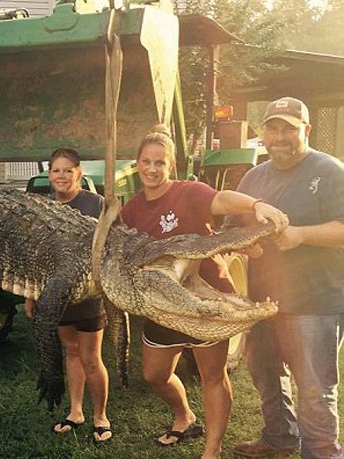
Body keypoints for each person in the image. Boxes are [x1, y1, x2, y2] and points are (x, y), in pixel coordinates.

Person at [119, 125, 288, 459]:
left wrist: (255, 204)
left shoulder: (189, 192)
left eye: (160, 163)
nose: (152, 169)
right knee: (154, 374)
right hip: (163, 304)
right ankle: (184, 414)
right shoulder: (131, 210)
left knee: (212, 375)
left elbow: (222, 200)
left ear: (171, 166)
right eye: (146, 162)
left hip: (208, 298)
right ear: (137, 164)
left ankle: (212, 450)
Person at [230, 97, 344, 459]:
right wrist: (244, 247)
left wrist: (300, 235)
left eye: (289, 129)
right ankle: (279, 438)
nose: (280, 137)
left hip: (315, 300)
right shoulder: (254, 176)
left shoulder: (330, 171)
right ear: (262, 133)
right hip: (263, 302)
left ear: (306, 131)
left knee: (313, 387)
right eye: (273, 128)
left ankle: (323, 454)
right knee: (266, 373)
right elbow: (234, 228)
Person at [24, 148, 112, 445]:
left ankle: (101, 416)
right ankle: (75, 412)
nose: (61, 176)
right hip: (55, 296)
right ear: (49, 174)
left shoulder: (95, 203)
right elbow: (35, 256)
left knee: (91, 357)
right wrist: (31, 296)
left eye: (67, 170)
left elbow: (110, 246)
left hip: (88, 296)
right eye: (56, 170)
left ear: (79, 172)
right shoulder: (43, 207)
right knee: (71, 351)